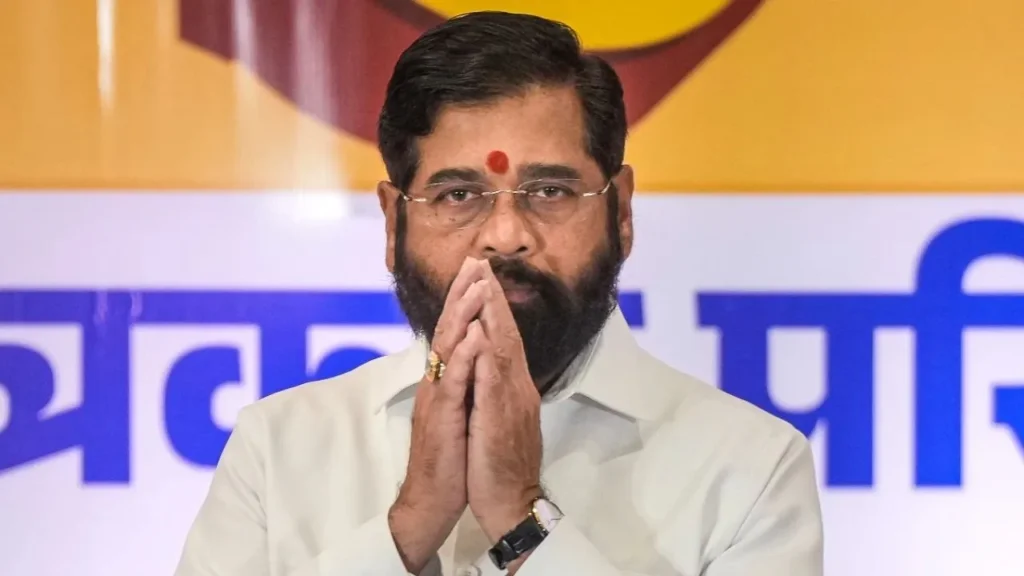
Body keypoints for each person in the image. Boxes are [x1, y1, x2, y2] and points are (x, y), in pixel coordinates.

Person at [174, 10, 823, 576]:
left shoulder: (748, 468)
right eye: (459, 195)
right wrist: (410, 523)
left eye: (550, 192)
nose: (506, 236)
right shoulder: (280, 448)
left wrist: (521, 516)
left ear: (620, 211)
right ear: (394, 221)